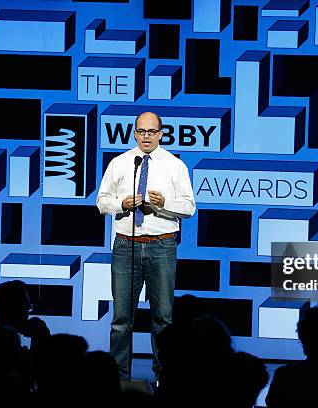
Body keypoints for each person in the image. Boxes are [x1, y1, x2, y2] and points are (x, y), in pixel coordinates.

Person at [97, 111, 196, 381]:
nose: (146, 137)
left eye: (152, 132)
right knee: (121, 319)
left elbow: (189, 208)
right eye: (141, 131)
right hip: (125, 246)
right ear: (134, 133)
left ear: (161, 134)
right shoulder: (121, 163)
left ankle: (165, 377)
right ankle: (118, 379)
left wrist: (165, 204)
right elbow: (101, 201)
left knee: (163, 318)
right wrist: (121, 204)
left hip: (162, 246)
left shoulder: (175, 165)